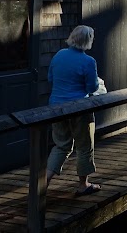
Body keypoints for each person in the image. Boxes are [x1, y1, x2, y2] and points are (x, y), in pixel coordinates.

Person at [45, 25, 102, 196]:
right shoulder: (88, 61)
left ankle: (43, 184)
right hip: (79, 108)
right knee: (84, 146)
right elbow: (92, 86)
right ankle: (83, 185)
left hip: (56, 106)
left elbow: (50, 78)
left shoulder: (59, 55)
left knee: (61, 145)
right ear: (88, 40)